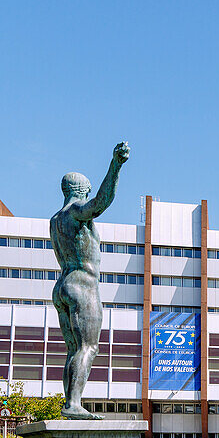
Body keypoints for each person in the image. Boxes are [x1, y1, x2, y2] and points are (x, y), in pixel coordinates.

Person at [50, 142, 129, 419]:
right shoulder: (75, 212)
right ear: (82, 190)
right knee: (88, 347)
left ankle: (71, 402)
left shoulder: (55, 219)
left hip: (61, 285)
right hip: (82, 286)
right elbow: (101, 203)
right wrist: (115, 165)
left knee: (74, 349)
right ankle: (73, 403)